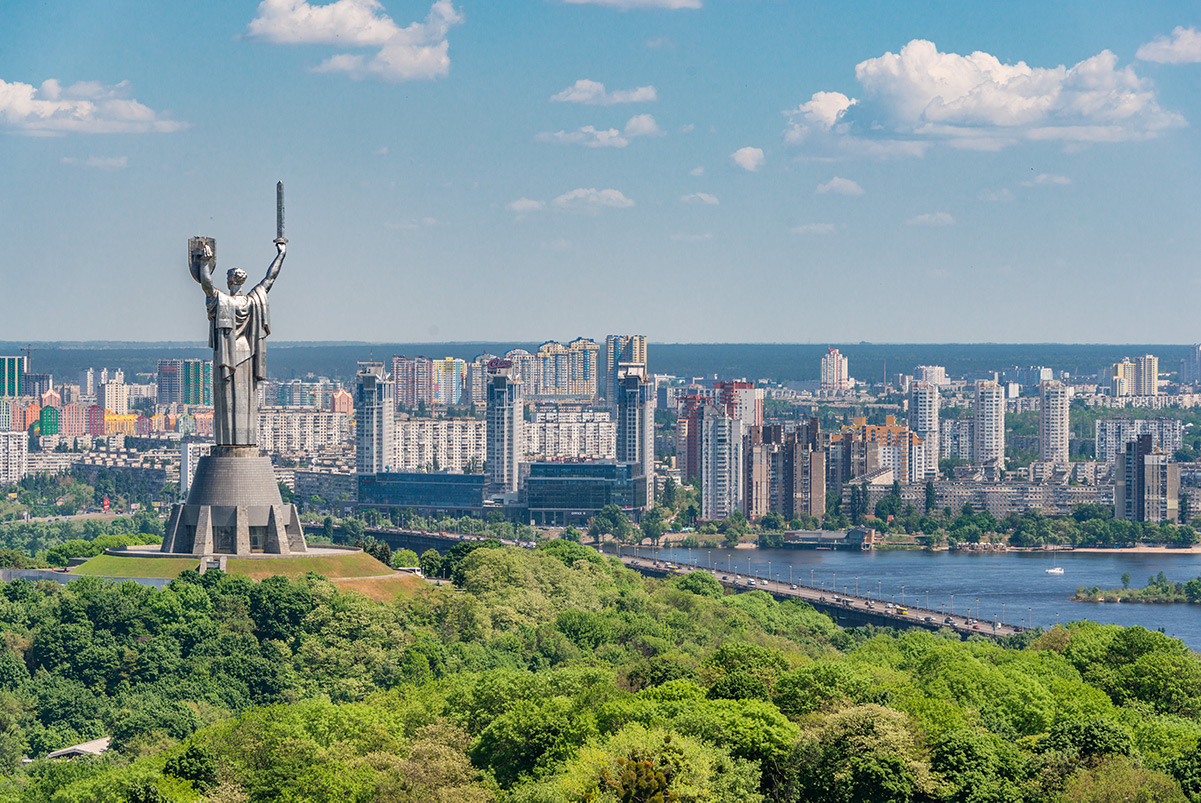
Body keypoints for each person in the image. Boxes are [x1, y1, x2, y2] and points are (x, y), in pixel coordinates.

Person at [195, 239, 285, 446]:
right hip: (247, 350)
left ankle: (229, 442)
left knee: (228, 396)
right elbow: (270, 278)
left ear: (229, 281)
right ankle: (245, 441)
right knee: (246, 397)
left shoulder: (223, 300)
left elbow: (207, 286)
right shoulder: (253, 300)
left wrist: (204, 264)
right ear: (242, 281)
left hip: (229, 352)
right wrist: (281, 255)